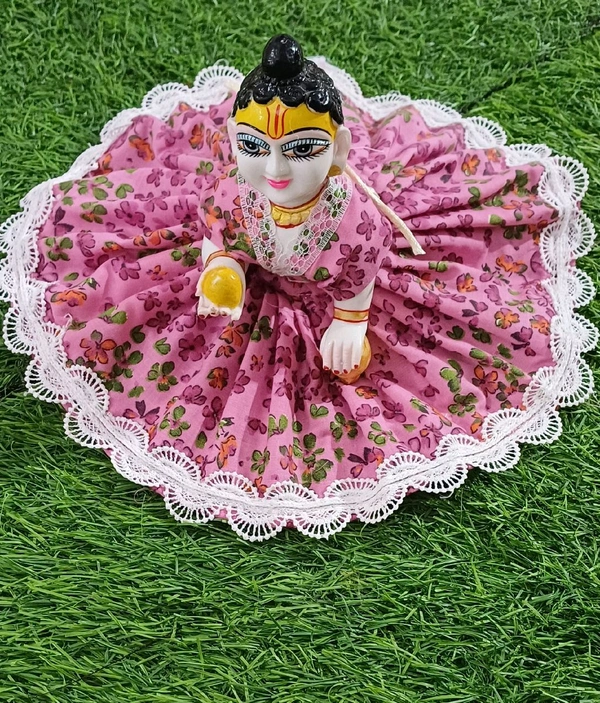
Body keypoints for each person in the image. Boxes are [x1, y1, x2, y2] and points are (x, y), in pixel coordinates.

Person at [21, 34, 586, 530]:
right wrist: (222, 267)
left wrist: (351, 320)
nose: (275, 171)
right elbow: (218, 229)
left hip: (337, 290)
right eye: (253, 147)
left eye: (300, 149)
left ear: (338, 150)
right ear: (232, 140)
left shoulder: (354, 223)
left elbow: (359, 273)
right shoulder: (232, 192)